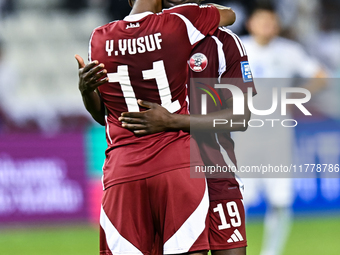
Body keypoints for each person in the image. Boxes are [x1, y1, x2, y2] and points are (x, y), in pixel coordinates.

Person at [75, 0, 236, 254]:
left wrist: (85, 91)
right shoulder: (178, 22)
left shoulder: (99, 38)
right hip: (178, 164)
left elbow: (103, 116)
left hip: (124, 170)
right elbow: (229, 15)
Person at [117, 1, 256, 255]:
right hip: (165, 178)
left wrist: (174, 121)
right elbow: (116, 116)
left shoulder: (225, 43)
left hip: (215, 171)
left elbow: (241, 116)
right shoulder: (138, 45)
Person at [231, 4, 327, 255]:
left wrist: (295, 97)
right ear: (251, 23)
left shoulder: (289, 51)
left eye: (272, 21)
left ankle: (271, 252)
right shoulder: (237, 47)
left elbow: (320, 76)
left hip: (278, 137)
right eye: (262, 21)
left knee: (281, 200)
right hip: (244, 136)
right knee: (239, 199)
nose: (268, 26)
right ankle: (236, 248)